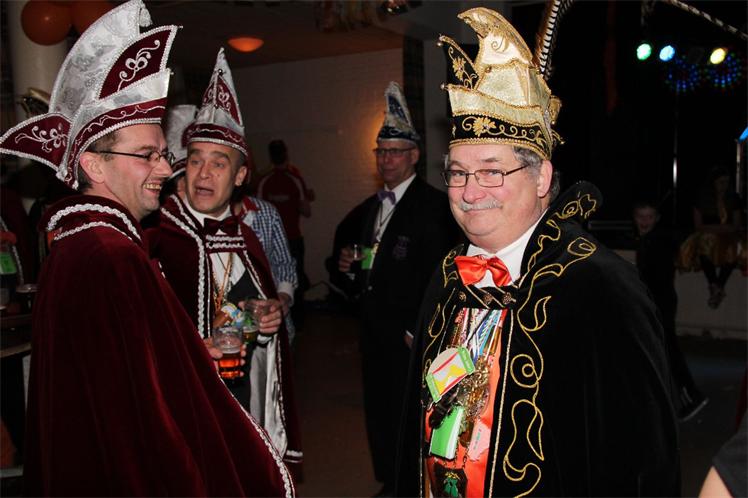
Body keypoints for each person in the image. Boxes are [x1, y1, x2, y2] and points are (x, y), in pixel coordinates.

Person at [0, 1, 294, 495]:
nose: (165, 169)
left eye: (162, 153)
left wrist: (189, 355)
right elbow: (142, 423)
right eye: (146, 155)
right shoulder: (109, 257)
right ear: (93, 165)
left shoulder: (83, 244)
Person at [395, 8, 679, 497]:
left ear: (542, 177)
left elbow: (644, 455)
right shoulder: (448, 274)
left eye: (491, 171)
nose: (469, 191)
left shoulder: (599, 284)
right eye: (458, 172)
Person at [146, 48, 302, 474]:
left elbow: (252, 316)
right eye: (195, 160)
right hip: (183, 407)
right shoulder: (158, 237)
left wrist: (267, 321)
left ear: (240, 176)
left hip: (241, 396)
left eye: (219, 164)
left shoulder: (245, 237)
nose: (203, 174)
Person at [330, 81, 458, 496]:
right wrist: (349, 268)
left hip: (408, 336)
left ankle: (409, 483)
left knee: (409, 414)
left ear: (414, 156)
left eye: (395, 152)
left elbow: (440, 274)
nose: (386, 159)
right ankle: (390, 480)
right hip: (374, 331)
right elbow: (364, 261)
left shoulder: (433, 206)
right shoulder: (372, 208)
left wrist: (415, 328)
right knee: (379, 411)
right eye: (381, 152)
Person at [633, 200, 708, 421]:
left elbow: (653, 276)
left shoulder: (656, 241)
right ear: (634, 217)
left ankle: (690, 397)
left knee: (668, 352)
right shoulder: (648, 239)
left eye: (649, 217)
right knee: (657, 351)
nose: (645, 221)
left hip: (659, 303)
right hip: (657, 302)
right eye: (641, 216)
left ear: (656, 219)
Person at [256, 139, 312, 329]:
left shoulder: (264, 181)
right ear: (286, 154)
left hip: (272, 241)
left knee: (276, 281)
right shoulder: (294, 179)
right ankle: (296, 323)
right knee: (295, 280)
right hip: (292, 239)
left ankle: (278, 321)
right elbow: (306, 211)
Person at [234, 191, 299, 344]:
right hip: (226, 324)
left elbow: (284, 262)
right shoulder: (202, 214)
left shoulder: (266, 212)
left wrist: (283, 296)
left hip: (267, 319)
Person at [677, 166, 745, 308]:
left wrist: (724, 229)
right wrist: (718, 229)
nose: (724, 186)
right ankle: (714, 284)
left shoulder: (734, 199)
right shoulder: (702, 199)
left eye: (726, 182)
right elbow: (698, 226)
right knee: (706, 242)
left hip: (729, 236)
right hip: (707, 235)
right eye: (721, 182)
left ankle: (718, 285)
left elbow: (736, 225)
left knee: (733, 248)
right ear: (713, 182)